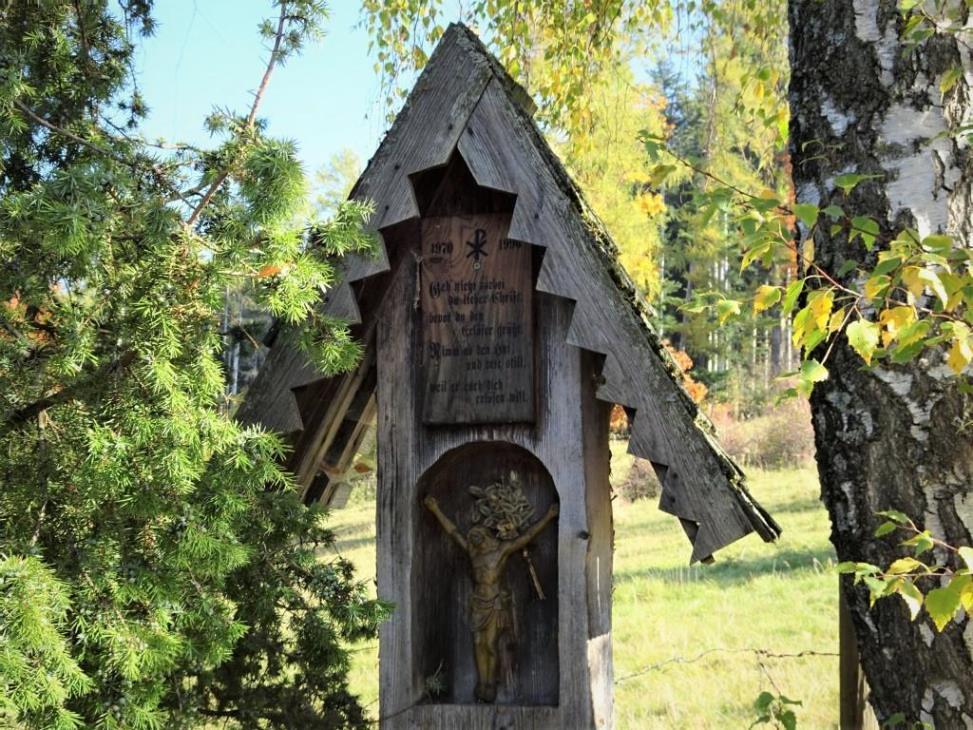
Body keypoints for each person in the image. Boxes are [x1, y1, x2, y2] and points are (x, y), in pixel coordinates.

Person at [423, 494, 558, 702]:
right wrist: (435, 510)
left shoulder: (501, 551)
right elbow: (453, 532)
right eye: (473, 537)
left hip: (494, 603)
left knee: (491, 645)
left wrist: (548, 516)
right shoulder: (473, 552)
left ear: (486, 536)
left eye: (478, 536)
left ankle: (490, 684)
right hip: (478, 603)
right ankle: (482, 681)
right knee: (478, 643)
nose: (474, 539)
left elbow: (527, 536)